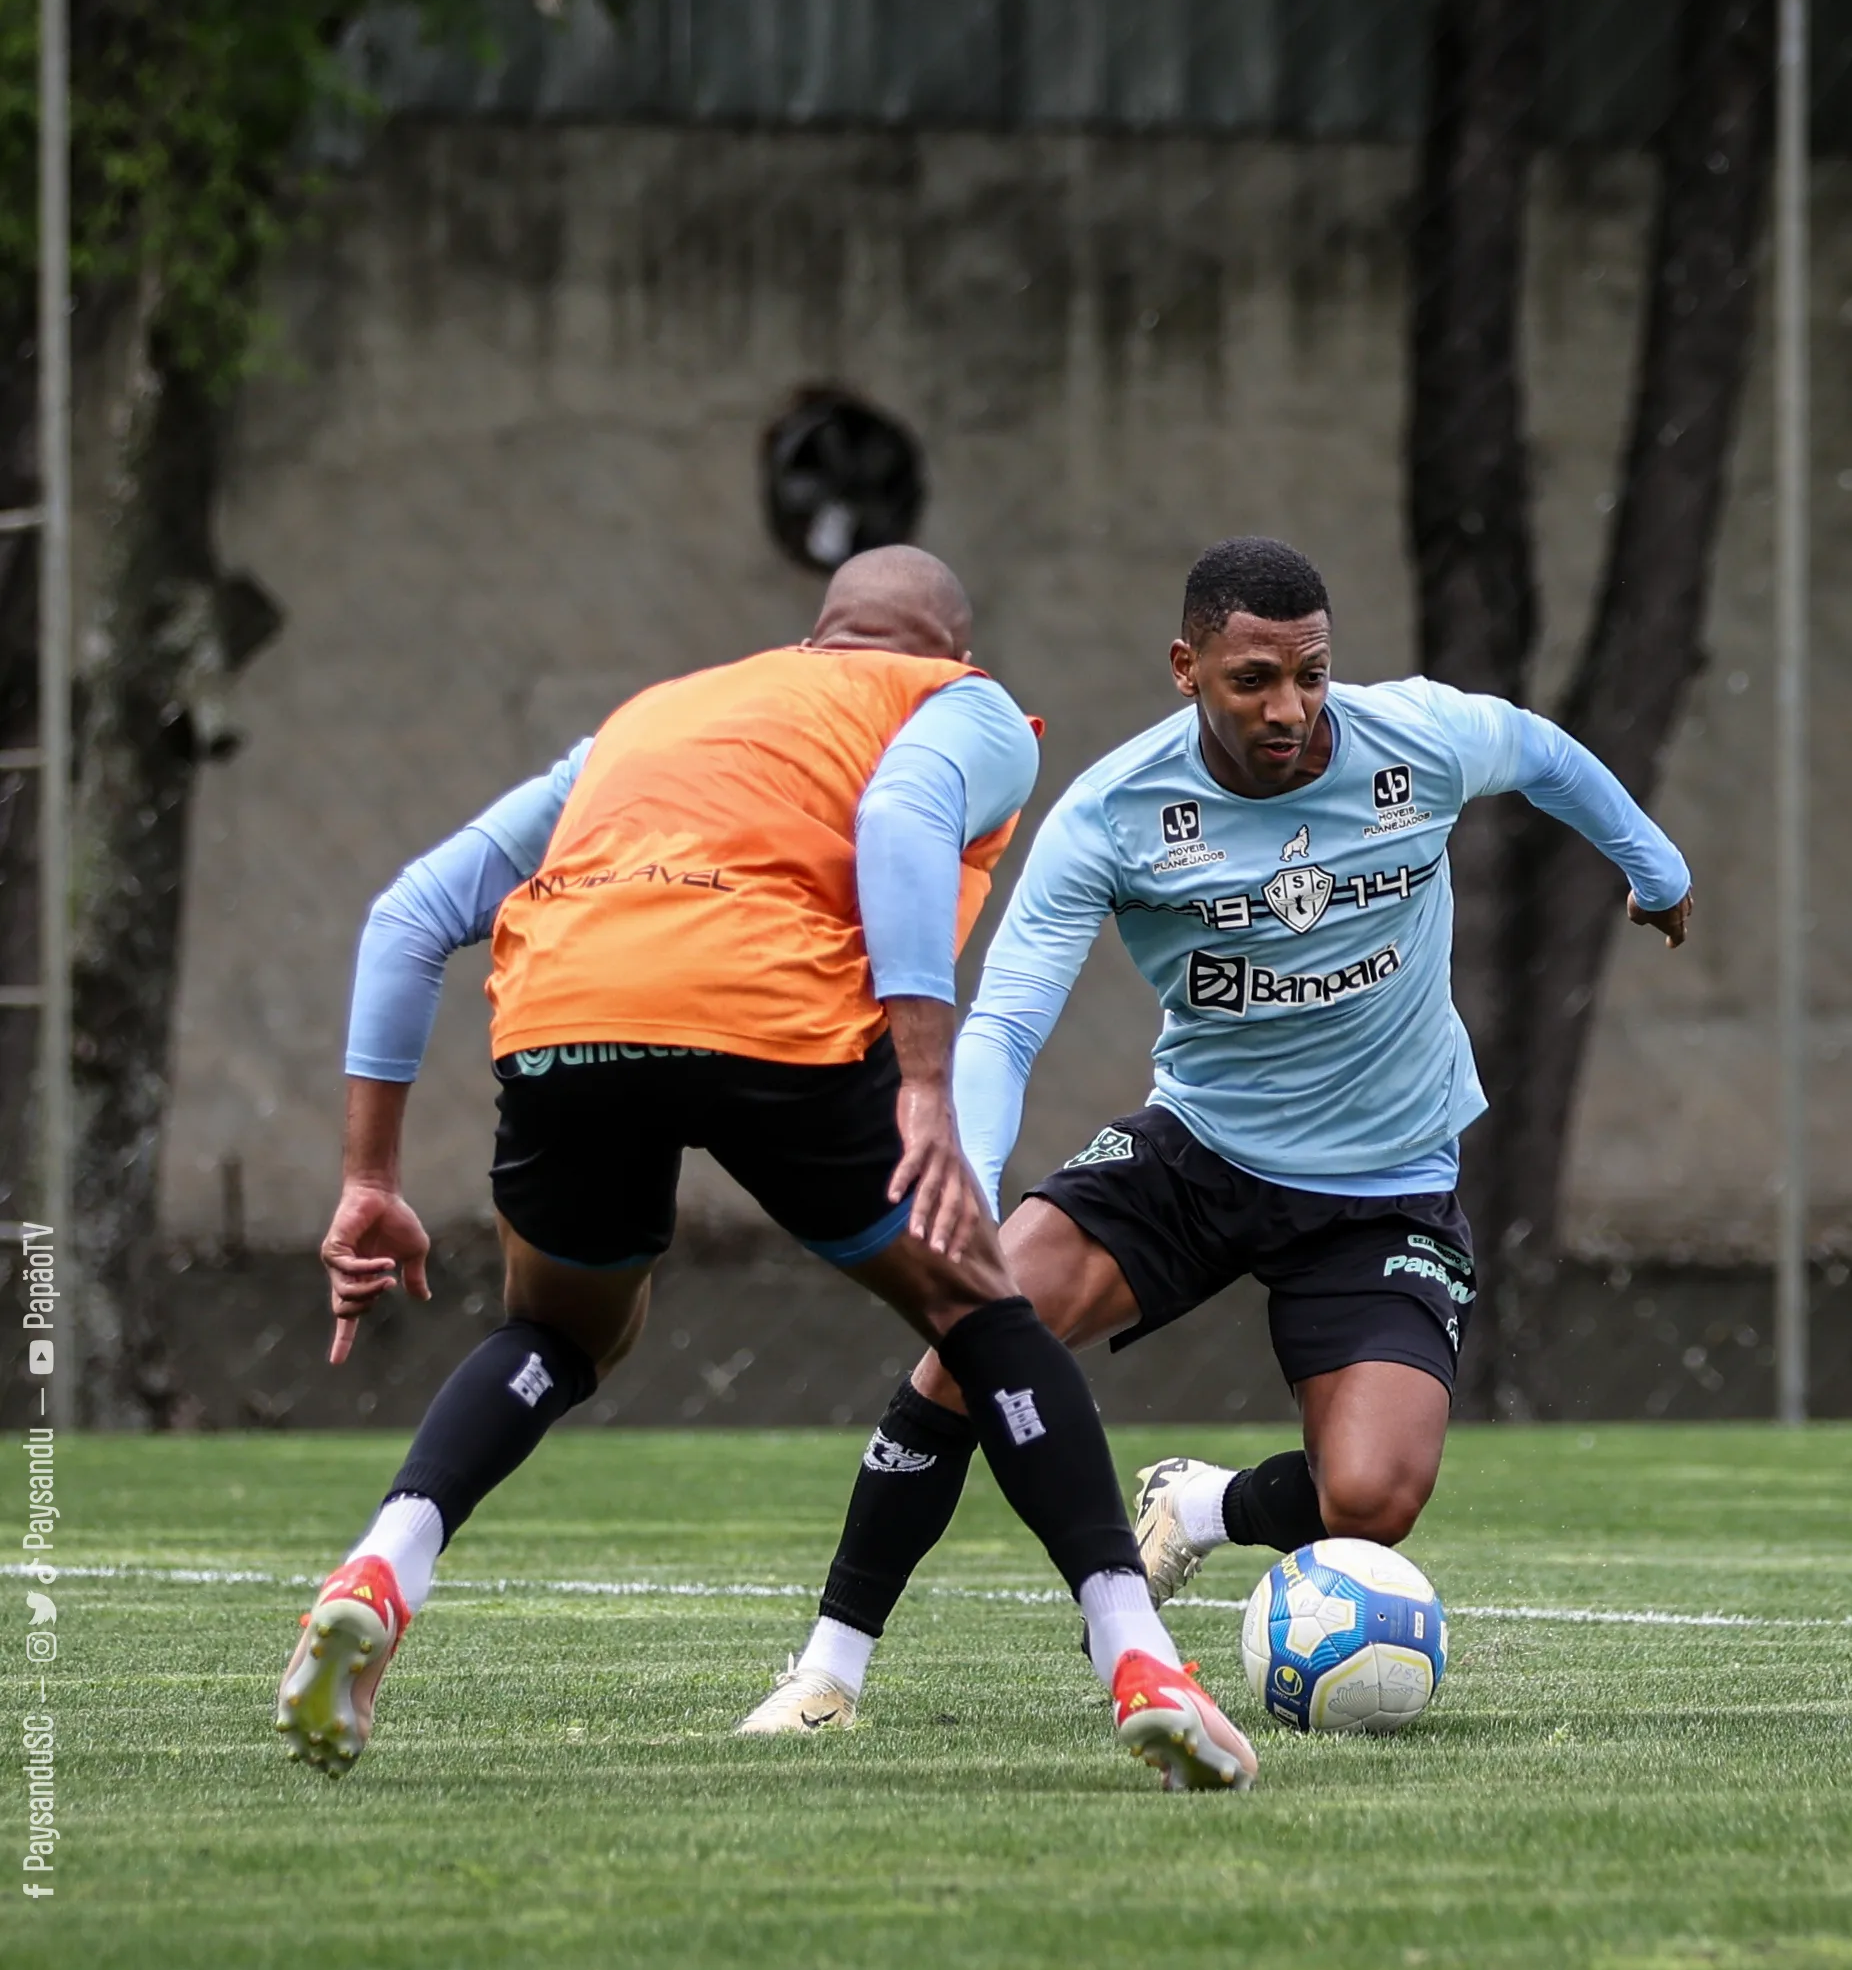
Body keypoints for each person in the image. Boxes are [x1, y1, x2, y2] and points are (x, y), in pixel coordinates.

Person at [275, 546, 1258, 1794]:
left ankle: (381, 1569)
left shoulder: (650, 720)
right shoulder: (963, 706)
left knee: (562, 1332)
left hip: (567, 1015)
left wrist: (370, 1177)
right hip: (768, 1018)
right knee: (977, 1309)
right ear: (951, 648)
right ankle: (1138, 1653)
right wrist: (918, 1079)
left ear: (814, 638)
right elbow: (901, 817)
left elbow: (411, 913)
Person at [743, 536, 1691, 1734]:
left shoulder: (1419, 739)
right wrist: (969, 1188)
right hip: (1198, 1157)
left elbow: (1542, 751)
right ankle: (829, 1673)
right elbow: (1008, 1020)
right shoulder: (1113, 809)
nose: (1288, 707)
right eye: (1253, 679)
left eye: (1310, 673)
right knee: (967, 1341)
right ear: (1186, 668)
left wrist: (1653, 869)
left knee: (1374, 1497)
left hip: (1387, 1184)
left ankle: (1203, 1510)